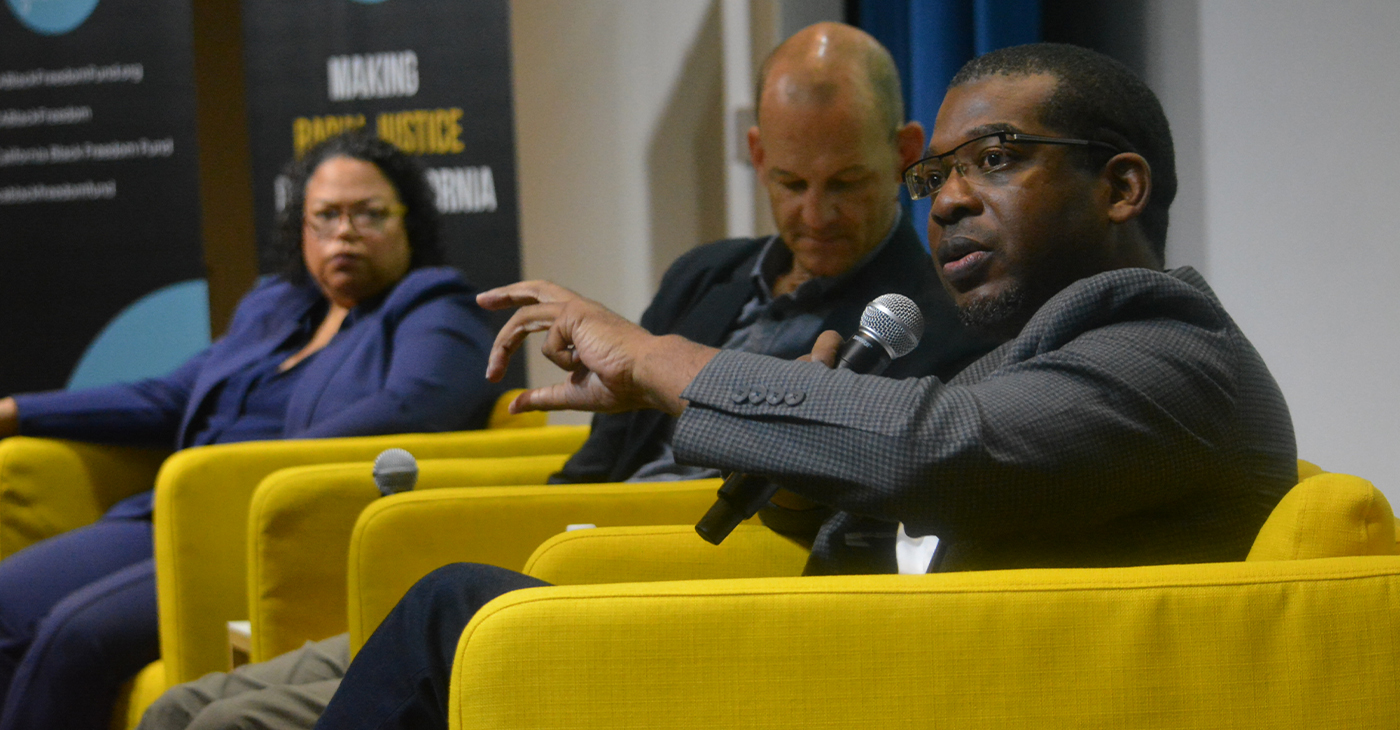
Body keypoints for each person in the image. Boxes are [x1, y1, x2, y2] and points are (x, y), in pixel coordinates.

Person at [309, 41, 1297, 730]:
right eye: (936, 176)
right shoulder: (1041, 355)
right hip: (878, 681)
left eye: (993, 161)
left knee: (452, 616)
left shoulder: (1170, 347)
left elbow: (934, 446)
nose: (947, 198)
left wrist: (660, 358)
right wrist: (789, 471)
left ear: (1120, 187)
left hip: (907, 699)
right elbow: (918, 524)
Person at [136, 22, 996, 730]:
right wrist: (551, 514)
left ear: (905, 151)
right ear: (755, 152)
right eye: (789, 182)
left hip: (670, 575)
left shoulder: (925, 317)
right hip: (564, 544)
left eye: (846, 182)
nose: (816, 214)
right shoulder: (707, 273)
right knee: (182, 705)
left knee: (226, 727)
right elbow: (605, 456)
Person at [0, 130, 503, 730]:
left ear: (408, 225)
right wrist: (16, 411)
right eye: (327, 216)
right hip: (175, 509)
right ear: (302, 227)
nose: (345, 232)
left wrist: (252, 469)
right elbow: (172, 396)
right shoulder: (274, 306)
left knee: (75, 635)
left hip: (262, 525)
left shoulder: (435, 306)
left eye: (369, 215)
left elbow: (414, 406)